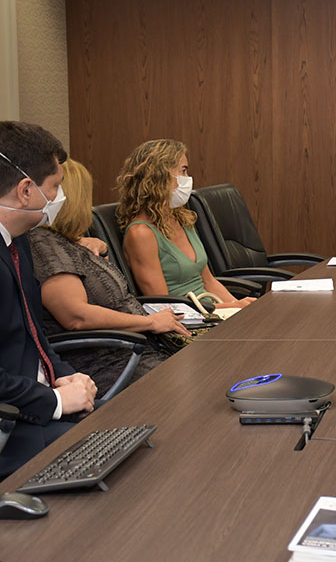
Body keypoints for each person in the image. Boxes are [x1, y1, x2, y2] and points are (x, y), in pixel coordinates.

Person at [29, 159, 191, 391]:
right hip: (113, 363)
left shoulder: (67, 242)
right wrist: (150, 322)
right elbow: (76, 316)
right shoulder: (44, 245)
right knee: (200, 384)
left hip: (138, 350)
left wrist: (90, 245)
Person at [0, 121, 97, 479]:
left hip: (35, 405)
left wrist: (70, 378)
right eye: (54, 187)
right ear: (26, 190)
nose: (59, 199)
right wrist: (54, 402)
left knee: (139, 431)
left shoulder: (18, 239)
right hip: (13, 430)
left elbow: (33, 335)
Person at [117, 139, 254, 306]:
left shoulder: (182, 218)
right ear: (158, 176)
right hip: (188, 323)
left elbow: (208, 282)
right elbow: (165, 305)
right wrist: (229, 307)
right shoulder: (141, 233)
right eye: (183, 171)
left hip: (212, 310)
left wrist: (239, 306)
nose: (187, 179)